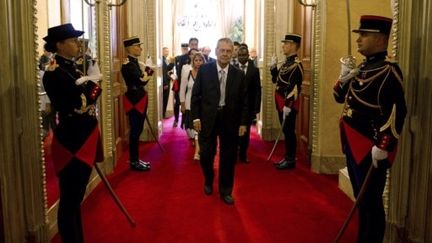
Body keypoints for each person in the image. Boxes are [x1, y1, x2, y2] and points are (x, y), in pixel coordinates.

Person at [333, 15, 407, 243]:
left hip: (370, 148)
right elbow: (338, 98)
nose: (358, 40)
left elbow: (397, 112)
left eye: (364, 35)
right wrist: (343, 78)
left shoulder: (389, 72)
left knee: (372, 202)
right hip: (353, 144)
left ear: (380, 38)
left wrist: (383, 146)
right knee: (361, 199)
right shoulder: (363, 68)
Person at [42, 23, 104, 243]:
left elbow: (95, 92)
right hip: (71, 143)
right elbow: (76, 104)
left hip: (83, 137)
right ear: (59, 45)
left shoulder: (73, 68)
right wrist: (89, 90)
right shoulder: (54, 73)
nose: (78, 44)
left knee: (76, 199)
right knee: (69, 201)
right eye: (73, 41)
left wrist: (90, 88)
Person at [191, 38, 248, 205]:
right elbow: (195, 96)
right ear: (216, 52)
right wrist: (195, 117)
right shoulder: (205, 70)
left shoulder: (238, 74)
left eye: (228, 51)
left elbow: (245, 101)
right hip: (208, 119)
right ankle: (208, 179)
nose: (225, 54)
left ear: (233, 53)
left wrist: (244, 123)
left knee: (228, 157)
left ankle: (225, 190)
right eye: (222, 50)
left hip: (230, 120)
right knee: (206, 154)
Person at [270, 34, 304, 169]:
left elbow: (295, 88)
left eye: (286, 44)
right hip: (280, 101)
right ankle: (287, 157)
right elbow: (276, 81)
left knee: (289, 131)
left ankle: (290, 160)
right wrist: (273, 68)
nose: (283, 46)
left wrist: (288, 106)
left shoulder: (297, 65)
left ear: (293, 45)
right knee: (286, 130)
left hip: (287, 104)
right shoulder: (286, 63)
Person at [121, 36, 154, 171]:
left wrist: (147, 70)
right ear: (130, 48)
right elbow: (142, 80)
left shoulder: (134, 63)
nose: (140, 48)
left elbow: (143, 80)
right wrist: (149, 69)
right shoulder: (128, 64)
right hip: (134, 100)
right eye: (137, 46)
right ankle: (134, 162)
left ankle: (136, 159)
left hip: (139, 97)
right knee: (135, 131)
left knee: (138, 129)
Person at [237, 46, 261, 163]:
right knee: (234, 130)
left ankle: (243, 154)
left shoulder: (254, 70)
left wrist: (256, 107)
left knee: (245, 132)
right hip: (234, 107)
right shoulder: (232, 68)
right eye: (240, 55)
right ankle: (235, 151)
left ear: (248, 56)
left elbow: (257, 90)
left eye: (244, 55)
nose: (242, 57)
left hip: (248, 107)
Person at [180, 51, 204, 160]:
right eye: (196, 60)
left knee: (198, 128)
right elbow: (182, 88)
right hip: (190, 104)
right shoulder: (187, 72)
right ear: (193, 61)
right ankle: (197, 145)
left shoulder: (207, 72)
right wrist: (182, 103)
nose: (198, 62)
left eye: (200, 60)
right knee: (192, 128)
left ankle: (197, 150)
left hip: (203, 105)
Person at [173, 38, 199, 127]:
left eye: (196, 44)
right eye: (192, 44)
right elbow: (180, 76)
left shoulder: (201, 58)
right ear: (189, 45)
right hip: (186, 89)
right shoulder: (182, 59)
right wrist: (181, 97)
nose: (194, 46)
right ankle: (180, 121)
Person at [162, 47, 174, 118]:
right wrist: (165, 83)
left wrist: (172, 63)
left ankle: (163, 113)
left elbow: (167, 69)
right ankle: (162, 114)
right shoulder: (162, 60)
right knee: (164, 99)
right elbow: (163, 73)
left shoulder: (165, 60)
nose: (167, 53)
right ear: (162, 51)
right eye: (166, 51)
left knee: (166, 99)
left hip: (167, 81)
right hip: (165, 83)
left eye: (168, 51)